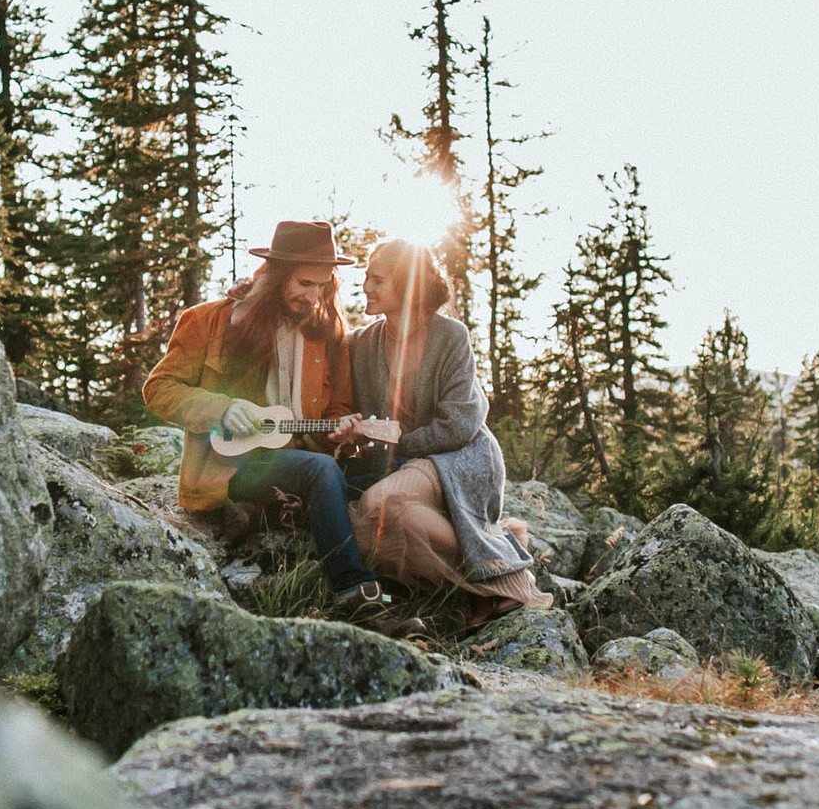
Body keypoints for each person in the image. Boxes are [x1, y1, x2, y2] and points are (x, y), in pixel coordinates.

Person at [143, 220, 397, 620]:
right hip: (231, 467)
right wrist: (220, 409)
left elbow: (335, 411)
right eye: (304, 284)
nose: (314, 297)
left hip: (294, 461)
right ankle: (355, 592)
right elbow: (159, 389)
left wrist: (343, 429)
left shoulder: (328, 336)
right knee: (320, 471)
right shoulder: (209, 321)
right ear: (277, 276)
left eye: (323, 285)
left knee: (378, 472)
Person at [342, 237, 553, 629]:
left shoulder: (451, 336)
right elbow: (318, 335)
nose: (366, 287)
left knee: (379, 507)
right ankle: (498, 552)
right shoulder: (362, 342)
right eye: (366, 278)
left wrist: (399, 441)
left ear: (407, 288)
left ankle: (508, 575)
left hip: (460, 459)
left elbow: (459, 424)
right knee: (362, 523)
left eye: (378, 280)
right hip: (407, 462)